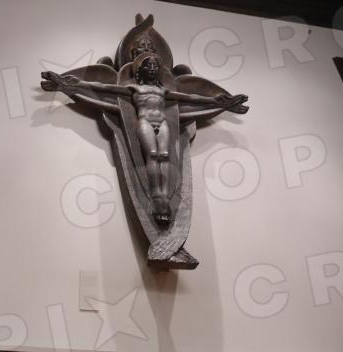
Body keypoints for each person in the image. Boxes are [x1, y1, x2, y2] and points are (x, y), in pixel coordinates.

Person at [42, 55, 247, 227]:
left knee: (164, 155)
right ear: (141, 70)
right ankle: (156, 195)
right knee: (153, 154)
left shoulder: (163, 91)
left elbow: (192, 98)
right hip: (145, 122)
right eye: (148, 65)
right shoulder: (133, 88)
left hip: (163, 123)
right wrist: (70, 83)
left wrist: (219, 102)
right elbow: (103, 87)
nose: (152, 68)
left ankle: (165, 197)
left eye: (155, 66)